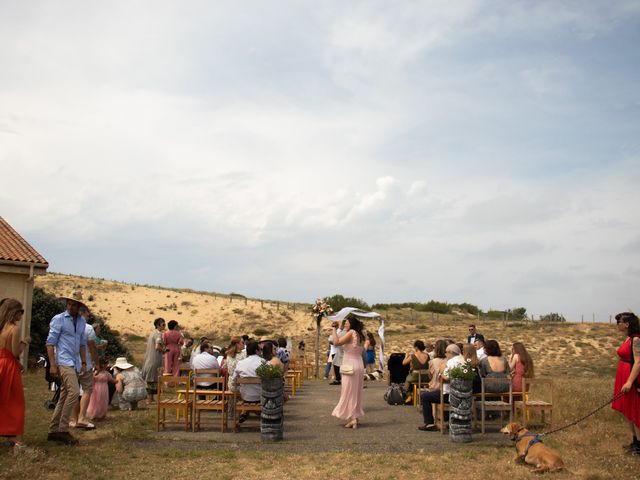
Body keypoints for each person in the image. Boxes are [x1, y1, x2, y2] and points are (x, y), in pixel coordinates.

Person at [46, 295, 88, 445]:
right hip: (63, 361)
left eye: (74, 305)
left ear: (79, 307)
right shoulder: (59, 319)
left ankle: (53, 430)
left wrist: (83, 361)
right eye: (69, 304)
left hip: (75, 361)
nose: (70, 307)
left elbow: (82, 343)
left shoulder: (82, 321)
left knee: (64, 395)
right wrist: (52, 364)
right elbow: (50, 343)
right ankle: (63, 429)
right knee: (74, 392)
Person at [0, 299, 31, 453]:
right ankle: (15, 438)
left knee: (2, 400)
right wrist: (24, 342)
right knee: (16, 402)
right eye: (20, 311)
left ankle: (8, 434)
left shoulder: (1, 327)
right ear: (14, 312)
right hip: (9, 368)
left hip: (1, 363)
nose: (21, 314)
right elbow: (14, 352)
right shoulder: (14, 329)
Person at [418, 343, 465, 431]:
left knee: (425, 396)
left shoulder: (450, 362)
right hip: (464, 394)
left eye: (446, 353)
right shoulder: (464, 361)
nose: (446, 354)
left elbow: (445, 378)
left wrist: (442, 371)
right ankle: (450, 421)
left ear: (451, 352)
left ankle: (429, 423)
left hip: (449, 395)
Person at [612, 312, 640, 454]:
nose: (617, 324)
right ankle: (635, 441)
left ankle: (639, 446)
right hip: (624, 377)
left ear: (627, 324)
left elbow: (638, 362)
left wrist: (629, 382)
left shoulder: (636, 339)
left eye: (619, 322)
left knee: (634, 411)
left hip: (632, 380)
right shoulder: (628, 339)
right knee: (628, 411)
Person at [331, 316, 365, 429]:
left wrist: (333, 329)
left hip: (350, 366)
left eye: (347, 323)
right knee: (355, 393)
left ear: (351, 324)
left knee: (348, 392)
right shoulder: (359, 334)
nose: (345, 324)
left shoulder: (351, 332)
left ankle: (353, 419)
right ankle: (355, 416)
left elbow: (336, 342)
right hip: (359, 365)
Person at [69, 306, 99, 430]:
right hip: (84, 362)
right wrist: (96, 362)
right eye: (87, 314)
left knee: (73, 391)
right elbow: (92, 347)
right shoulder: (88, 328)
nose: (88, 317)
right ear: (83, 313)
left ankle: (73, 419)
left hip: (70, 362)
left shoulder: (69, 325)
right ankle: (82, 417)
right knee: (87, 390)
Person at [141, 318, 166, 403]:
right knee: (152, 379)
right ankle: (149, 399)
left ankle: (151, 398)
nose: (164, 326)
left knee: (152, 379)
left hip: (150, 359)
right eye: (163, 324)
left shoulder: (152, 333)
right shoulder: (158, 334)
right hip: (154, 359)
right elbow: (157, 346)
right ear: (158, 325)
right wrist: (164, 351)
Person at [402, 340, 430, 404]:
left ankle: (408, 395)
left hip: (416, 376)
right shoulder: (427, 355)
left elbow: (404, 363)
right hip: (426, 377)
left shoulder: (413, 355)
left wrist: (406, 356)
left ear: (416, 347)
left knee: (407, 379)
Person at [330, 320, 347, 385]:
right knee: (335, 365)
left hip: (340, 352)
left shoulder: (343, 332)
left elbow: (333, 341)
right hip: (336, 351)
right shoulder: (341, 331)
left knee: (338, 366)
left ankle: (338, 379)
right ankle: (338, 379)